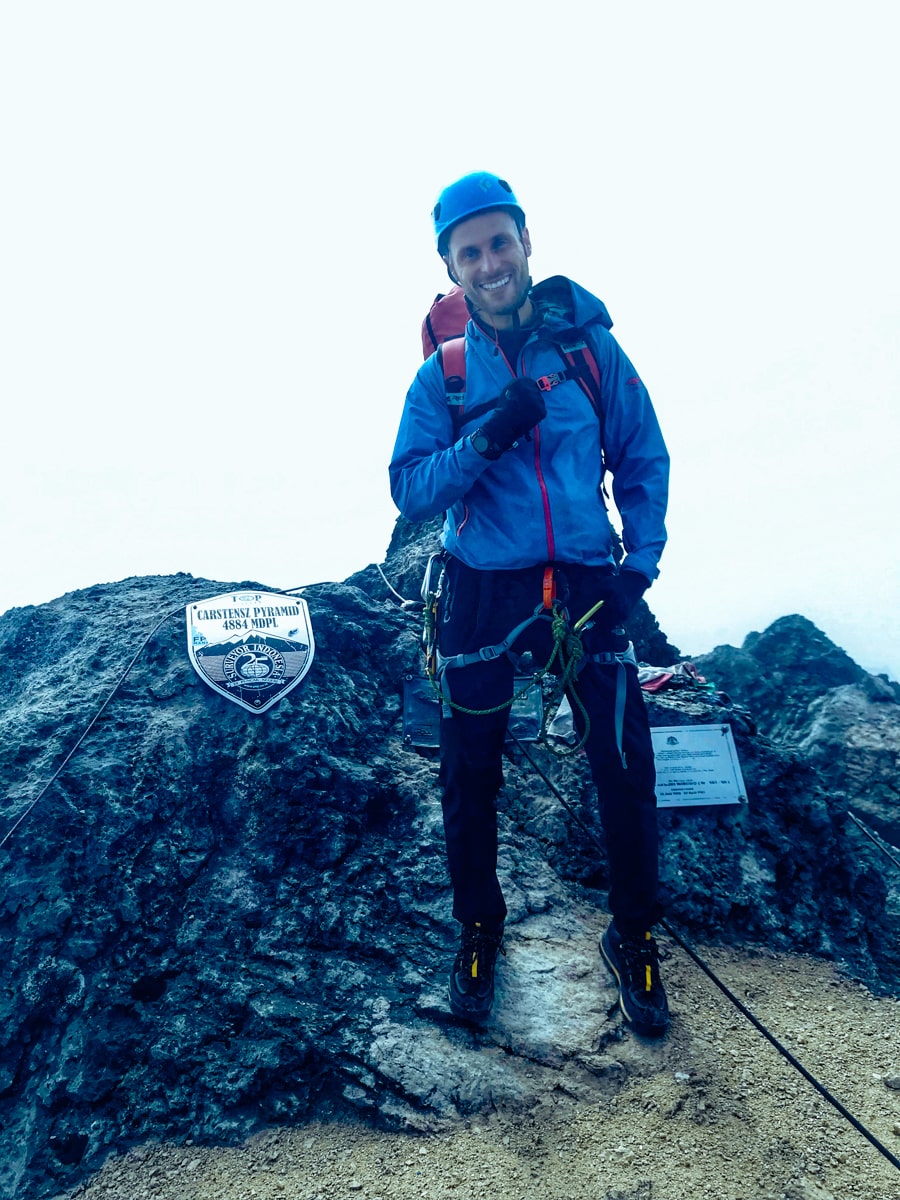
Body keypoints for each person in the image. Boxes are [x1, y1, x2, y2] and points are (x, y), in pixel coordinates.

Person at [389, 172, 670, 1036]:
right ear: (450, 266)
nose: (489, 262)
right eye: (468, 252)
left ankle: (634, 936)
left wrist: (638, 572)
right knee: (470, 773)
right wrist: (485, 436)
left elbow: (643, 458)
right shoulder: (447, 373)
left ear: (524, 242)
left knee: (624, 768)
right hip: (483, 582)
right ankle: (479, 929)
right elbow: (412, 487)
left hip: (587, 581)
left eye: (498, 242)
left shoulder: (589, 352)